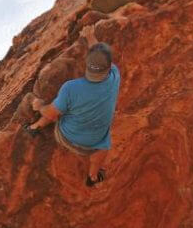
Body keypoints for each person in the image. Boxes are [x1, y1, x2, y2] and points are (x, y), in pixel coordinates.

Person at [24, 27, 121, 187]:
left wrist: (39, 106)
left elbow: (51, 114)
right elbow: (101, 54)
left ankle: (34, 128)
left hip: (69, 137)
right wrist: (90, 36)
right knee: (103, 147)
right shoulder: (114, 76)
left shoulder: (71, 88)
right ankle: (93, 177)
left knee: (57, 108)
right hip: (96, 142)